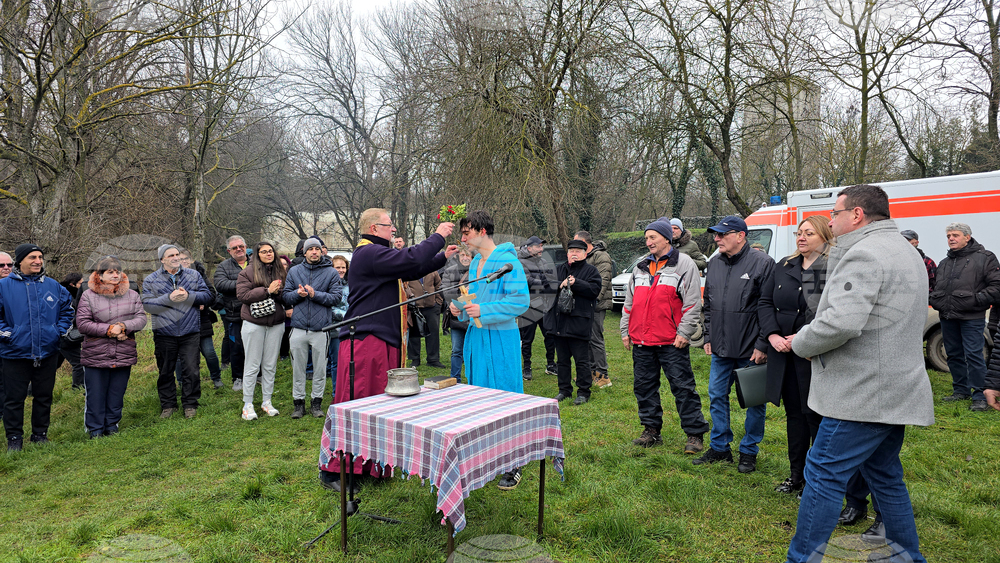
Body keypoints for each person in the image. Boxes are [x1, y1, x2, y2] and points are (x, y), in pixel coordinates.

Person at [785, 184, 934, 563]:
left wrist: (800, 342)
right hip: (896, 387)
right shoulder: (906, 249)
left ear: (857, 215)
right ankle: (906, 557)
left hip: (861, 394)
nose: (831, 222)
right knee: (885, 477)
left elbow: (841, 324)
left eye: (835, 214)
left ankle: (802, 558)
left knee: (821, 477)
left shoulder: (863, 253)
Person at [318, 208, 457, 493]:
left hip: (383, 340)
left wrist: (442, 257)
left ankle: (370, 464)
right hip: (365, 341)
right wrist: (438, 236)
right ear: (373, 227)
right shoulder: (367, 252)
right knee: (358, 405)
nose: (393, 230)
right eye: (388, 225)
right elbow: (411, 257)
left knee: (380, 407)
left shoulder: (379, 254)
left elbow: (412, 267)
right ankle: (335, 470)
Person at [450, 211, 530, 488]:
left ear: (482, 231)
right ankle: (487, 455)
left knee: (505, 397)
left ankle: (515, 461)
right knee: (480, 396)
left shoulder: (508, 262)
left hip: (501, 338)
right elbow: (473, 298)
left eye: (466, 233)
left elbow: (520, 301)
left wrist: (483, 310)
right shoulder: (475, 264)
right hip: (477, 338)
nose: (463, 238)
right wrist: (460, 307)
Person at [758, 216, 832, 495]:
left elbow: (829, 312)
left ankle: (817, 478)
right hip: (783, 352)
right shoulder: (784, 266)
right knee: (794, 416)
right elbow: (765, 303)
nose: (801, 238)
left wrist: (802, 339)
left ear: (824, 236)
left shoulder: (832, 267)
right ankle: (795, 475)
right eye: (799, 233)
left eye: (808, 233)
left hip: (814, 352)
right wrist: (773, 336)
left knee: (814, 415)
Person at [621, 218, 708, 453]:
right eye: (646, 238)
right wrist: (625, 330)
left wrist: (684, 332)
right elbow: (629, 303)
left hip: (672, 340)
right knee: (644, 387)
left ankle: (694, 434)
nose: (648, 242)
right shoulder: (640, 267)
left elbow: (692, 303)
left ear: (666, 239)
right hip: (641, 340)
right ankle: (651, 430)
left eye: (653, 237)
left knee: (682, 388)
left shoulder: (684, 264)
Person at [695, 215, 774, 474]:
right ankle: (720, 447)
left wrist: (762, 344)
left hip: (752, 348)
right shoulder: (714, 263)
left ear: (740, 236)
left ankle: (749, 451)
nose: (716, 239)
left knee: (754, 401)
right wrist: (708, 336)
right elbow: (709, 304)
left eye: (722, 234)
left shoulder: (763, 263)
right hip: (720, 346)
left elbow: (768, 308)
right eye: (715, 234)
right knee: (717, 395)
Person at [0, 244, 75, 451]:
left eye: (40, 257)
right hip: (15, 353)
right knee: (13, 399)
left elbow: (67, 311)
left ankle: (40, 435)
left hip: (47, 352)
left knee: (43, 396)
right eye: (32, 257)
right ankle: (14, 439)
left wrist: (57, 332)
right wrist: (10, 334)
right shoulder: (3, 286)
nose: (38, 261)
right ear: (20, 261)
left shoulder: (53, 286)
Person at [929, 222, 1000, 411]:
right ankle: (960, 390)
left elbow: (996, 287)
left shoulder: (985, 258)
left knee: (974, 355)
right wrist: (936, 300)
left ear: (967, 237)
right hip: (947, 316)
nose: (951, 238)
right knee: (953, 355)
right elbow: (937, 287)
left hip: (972, 317)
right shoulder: (944, 263)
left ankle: (980, 395)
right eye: (948, 236)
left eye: (955, 235)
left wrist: (975, 301)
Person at [76, 257, 146, 438]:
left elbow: (141, 319)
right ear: (99, 275)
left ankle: (112, 425)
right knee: (96, 393)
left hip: (123, 351)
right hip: (96, 352)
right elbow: (82, 324)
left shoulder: (132, 294)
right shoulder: (88, 295)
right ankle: (95, 429)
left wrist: (123, 327)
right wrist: (109, 330)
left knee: (117, 392)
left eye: (117, 271)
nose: (115, 275)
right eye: (110, 272)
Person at [143, 244, 212, 419]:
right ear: (162, 260)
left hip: (190, 331)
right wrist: (169, 298)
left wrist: (189, 296)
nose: (175, 258)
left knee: (191, 369)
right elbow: (148, 305)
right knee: (165, 370)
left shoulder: (193, 275)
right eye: (171, 255)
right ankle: (168, 405)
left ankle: (190, 404)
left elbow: (208, 296)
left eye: (177, 254)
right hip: (164, 332)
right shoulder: (151, 280)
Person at [283, 238, 342, 419]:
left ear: (321, 251)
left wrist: (315, 295)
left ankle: (316, 403)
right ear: (304, 252)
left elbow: (336, 298)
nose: (314, 252)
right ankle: (298, 404)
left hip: (321, 329)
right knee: (298, 368)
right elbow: (285, 296)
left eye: (317, 249)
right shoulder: (294, 271)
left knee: (320, 368)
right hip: (299, 327)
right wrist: (297, 294)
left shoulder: (331, 272)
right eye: (311, 249)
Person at [544, 239, 601, 405]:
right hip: (559, 322)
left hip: (579, 323)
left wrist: (577, 284)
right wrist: (560, 285)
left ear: (584, 254)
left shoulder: (591, 271)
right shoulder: (559, 269)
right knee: (562, 360)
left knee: (581, 361)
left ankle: (583, 392)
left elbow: (595, 290)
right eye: (571, 251)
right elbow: (547, 287)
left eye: (578, 251)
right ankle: (564, 390)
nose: (574, 254)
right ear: (567, 253)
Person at [237, 241, 288, 420]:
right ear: (257, 254)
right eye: (264, 251)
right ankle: (247, 404)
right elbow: (242, 296)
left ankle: (267, 401)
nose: (268, 254)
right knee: (252, 365)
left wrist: (284, 293)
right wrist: (267, 291)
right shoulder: (247, 272)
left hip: (276, 323)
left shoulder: (280, 271)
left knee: (269, 365)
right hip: (253, 323)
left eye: (271, 251)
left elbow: (284, 296)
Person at [175, 250, 223, 389]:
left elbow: (210, 293)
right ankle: (182, 382)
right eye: (180, 259)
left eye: (186, 258)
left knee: (209, 352)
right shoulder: (171, 276)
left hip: (201, 319)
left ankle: (216, 378)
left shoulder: (199, 273)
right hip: (180, 321)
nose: (183, 261)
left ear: (191, 260)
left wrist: (202, 302)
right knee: (180, 356)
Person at [574, 231, 613, 389]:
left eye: (577, 242)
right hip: (583, 303)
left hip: (596, 304)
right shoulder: (584, 256)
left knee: (596, 339)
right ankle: (591, 372)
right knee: (587, 339)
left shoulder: (601, 256)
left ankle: (603, 375)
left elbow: (603, 280)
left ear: (584, 242)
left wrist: (593, 299)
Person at [516, 236, 557, 380]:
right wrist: (546, 283)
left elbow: (551, 279)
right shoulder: (519, 262)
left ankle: (551, 365)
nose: (541, 249)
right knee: (527, 339)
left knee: (550, 335)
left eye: (541, 246)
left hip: (544, 306)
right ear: (529, 248)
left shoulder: (544, 261)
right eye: (538, 246)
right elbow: (527, 281)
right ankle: (527, 367)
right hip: (528, 306)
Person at [215, 235, 249, 391]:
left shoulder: (256, 262)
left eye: (241, 246)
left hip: (257, 312)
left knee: (256, 346)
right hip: (235, 313)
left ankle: (259, 375)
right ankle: (238, 378)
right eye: (235, 248)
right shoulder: (223, 266)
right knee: (236, 346)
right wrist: (245, 283)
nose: (239, 249)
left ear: (245, 246)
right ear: (229, 251)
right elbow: (221, 284)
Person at [441, 248, 472, 381]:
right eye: (463, 255)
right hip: (456, 315)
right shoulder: (450, 270)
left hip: (474, 316)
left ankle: (474, 379)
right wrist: (464, 292)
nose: (465, 258)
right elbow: (446, 291)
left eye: (468, 255)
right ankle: (455, 379)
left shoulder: (479, 270)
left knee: (475, 351)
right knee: (456, 350)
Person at [405, 268, 445, 369]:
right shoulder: (408, 270)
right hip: (414, 307)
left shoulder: (432, 270)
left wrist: (438, 303)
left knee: (433, 333)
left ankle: (433, 359)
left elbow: (439, 286)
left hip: (431, 307)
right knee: (414, 335)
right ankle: (415, 359)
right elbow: (404, 287)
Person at [57, 272, 86, 390]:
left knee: (53, 365)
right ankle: (78, 388)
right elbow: (67, 316)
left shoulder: (73, 295)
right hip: (66, 337)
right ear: (72, 284)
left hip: (67, 337)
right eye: (81, 283)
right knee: (79, 363)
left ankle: (30, 390)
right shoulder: (65, 297)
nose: (83, 285)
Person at [328, 255, 350, 394]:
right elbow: (328, 306)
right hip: (335, 328)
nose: (341, 270)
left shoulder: (351, 283)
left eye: (343, 267)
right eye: (337, 267)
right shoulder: (328, 284)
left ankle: (348, 390)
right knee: (336, 362)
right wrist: (346, 316)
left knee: (349, 361)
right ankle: (336, 392)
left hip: (351, 327)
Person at [0, 251, 9, 421]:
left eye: (9, 265)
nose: (6, 268)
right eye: (1, 265)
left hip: (10, 340)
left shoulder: (18, 286)